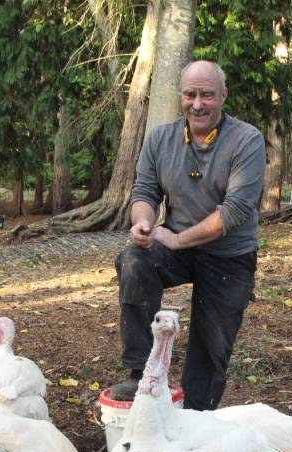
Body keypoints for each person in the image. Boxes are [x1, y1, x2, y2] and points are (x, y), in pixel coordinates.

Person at [109, 60, 266, 410]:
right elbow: (145, 192)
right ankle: (139, 372)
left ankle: (195, 415)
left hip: (229, 254)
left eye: (207, 95)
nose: (198, 104)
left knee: (211, 347)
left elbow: (235, 210)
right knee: (134, 260)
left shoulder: (246, 140)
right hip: (177, 248)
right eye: (190, 94)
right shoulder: (160, 138)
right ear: (181, 95)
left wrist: (177, 239)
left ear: (223, 95)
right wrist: (144, 223)